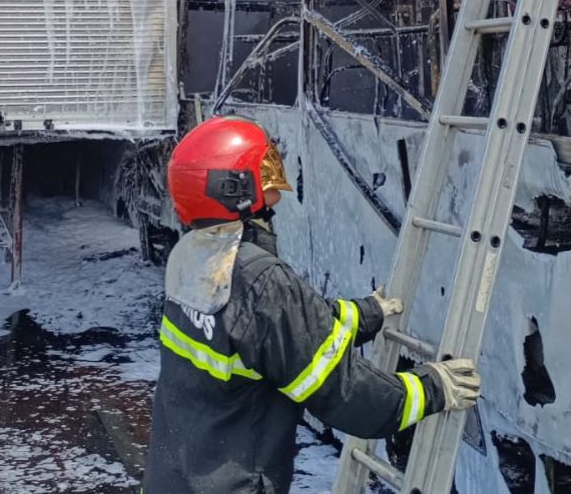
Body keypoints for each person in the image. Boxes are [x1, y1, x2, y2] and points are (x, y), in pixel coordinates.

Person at [142, 115, 480, 493]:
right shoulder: (260, 280)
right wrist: (433, 387)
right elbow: (347, 394)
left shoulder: (194, 259)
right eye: (265, 171)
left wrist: (368, 313)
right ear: (234, 188)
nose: (278, 187)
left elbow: (279, 332)